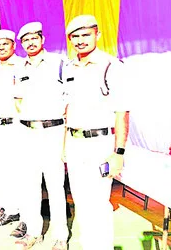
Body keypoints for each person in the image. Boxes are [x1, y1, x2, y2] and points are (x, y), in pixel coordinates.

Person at [62, 15, 129, 249]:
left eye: (86, 34)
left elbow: (122, 112)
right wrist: (64, 148)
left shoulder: (111, 66)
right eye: (75, 36)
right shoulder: (68, 67)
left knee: (99, 203)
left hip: (100, 144)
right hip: (74, 142)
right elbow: (67, 108)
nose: (80, 41)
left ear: (97, 35)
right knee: (81, 202)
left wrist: (118, 153)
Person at [13, 22, 69, 249]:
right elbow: (17, 100)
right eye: (25, 40)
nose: (30, 43)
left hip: (53, 131)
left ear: (42, 39)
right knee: (30, 183)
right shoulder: (21, 68)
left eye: (34, 38)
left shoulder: (59, 63)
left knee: (55, 185)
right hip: (27, 131)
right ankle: (34, 232)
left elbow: (69, 100)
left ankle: (60, 235)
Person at [0, 29, 23, 227]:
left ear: (13, 46)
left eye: (5, 44)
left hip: (15, 124)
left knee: (15, 168)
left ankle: (15, 210)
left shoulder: (21, 66)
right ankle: (4, 206)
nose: (1, 48)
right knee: (0, 168)